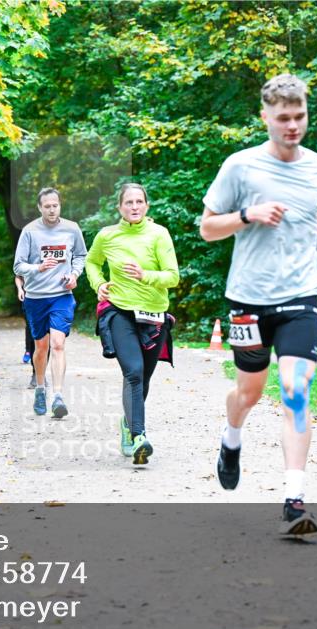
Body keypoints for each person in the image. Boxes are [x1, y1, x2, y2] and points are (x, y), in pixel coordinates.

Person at [199, 73, 317, 535]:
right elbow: (207, 227)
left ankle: (294, 499)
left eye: (299, 116)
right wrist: (248, 215)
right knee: (249, 393)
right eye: (283, 118)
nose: (292, 126)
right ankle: (231, 439)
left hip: (303, 292)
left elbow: (307, 212)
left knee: (295, 390)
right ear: (264, 117)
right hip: (248, 297)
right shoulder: (240, 167)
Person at [86, 183, 179, 465]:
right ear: (120, 207)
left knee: (143, 378)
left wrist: (145, 275)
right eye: (129, 202)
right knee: (134, 373)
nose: (134, 207)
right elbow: (91, 262)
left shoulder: (159, 235)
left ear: (147, 206)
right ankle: (140, 436)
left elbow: (173, 277)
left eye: (139, 202)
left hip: (153, 314)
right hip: (119, 311)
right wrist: (99, 284)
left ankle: (128, 425)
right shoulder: (107, 235)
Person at [13, 187, 87, 418]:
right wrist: (38, 267)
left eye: (55, 205)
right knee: (41, 347)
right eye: (47, 206)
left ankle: (57, 396)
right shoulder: (29, 231)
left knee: (57, 344)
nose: (52, 209)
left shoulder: (72, 228)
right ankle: (40, 388)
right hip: (36, 297)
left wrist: (74, 275)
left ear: (60, 205)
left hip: (61, 295)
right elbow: (18, 266)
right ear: (40, 208)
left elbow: (81, 256)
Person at [15, 274, 42, 388]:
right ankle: (35, 372)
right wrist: (20, 289)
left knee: (47, 336)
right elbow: (18, 276)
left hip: (52, 298)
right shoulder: (27, 257)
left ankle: (41, 371)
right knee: (32, 332)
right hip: (30, 299)